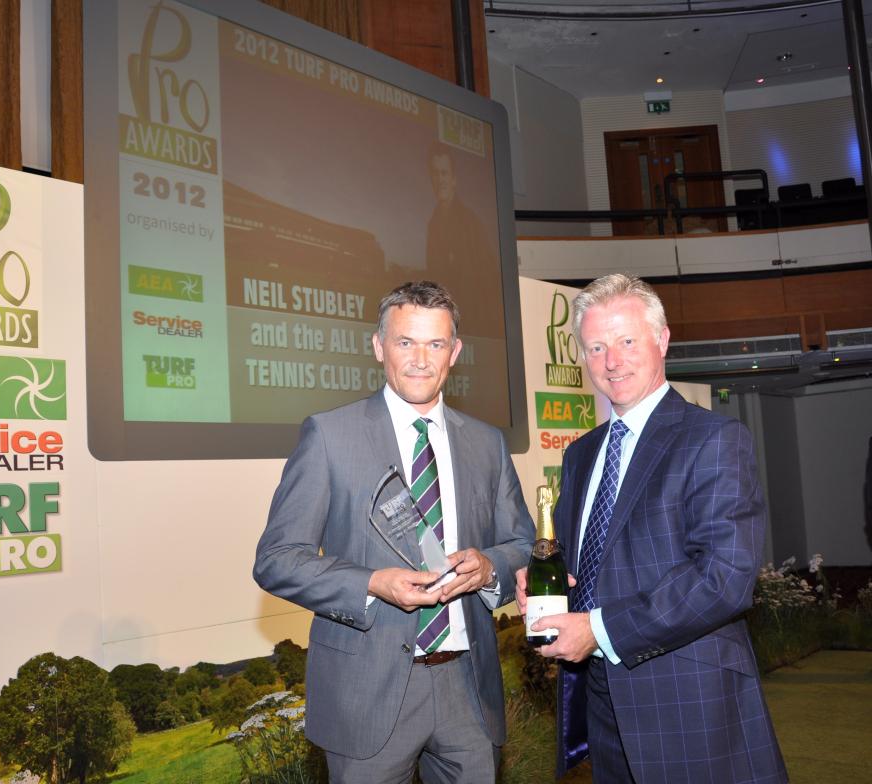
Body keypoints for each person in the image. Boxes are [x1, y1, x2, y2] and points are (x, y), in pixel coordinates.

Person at [254, 281, 534, 783]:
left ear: (455, 352)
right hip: (366, 694)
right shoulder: (329, 436)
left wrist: (490, 567)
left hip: (468, 691)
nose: (421, 360)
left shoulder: (487, 443)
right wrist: (371, 583)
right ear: (379, 346)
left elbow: (522, 545)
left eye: (435, 344)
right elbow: (277, 558)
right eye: (406, 342)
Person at [517, 273, 787, 783]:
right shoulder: (580, 455)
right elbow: (585, 562)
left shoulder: (714, 438)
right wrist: (543, 584)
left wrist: (599, 630)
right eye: (596, 348)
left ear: (661, 339)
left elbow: (723, 578)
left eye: (626, 341)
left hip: (688, 703)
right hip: (601, 703)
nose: (611, 361)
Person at [424, 144, 501, 336]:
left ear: (453, 179)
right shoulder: (433, 225)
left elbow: (485, 281)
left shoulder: (470, 223)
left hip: (472, 326)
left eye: (444, 173)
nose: (440, 179)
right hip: (443, 327)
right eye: (435, 174)